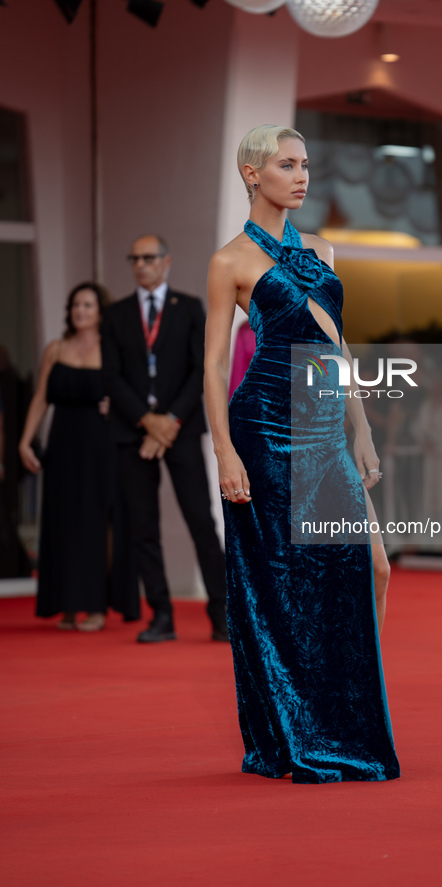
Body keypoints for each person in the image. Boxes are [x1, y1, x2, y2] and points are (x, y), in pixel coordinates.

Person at [204, 124, 400, 783]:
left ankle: (345, 711)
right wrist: (225, 453)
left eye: (306, 164)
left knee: (370, 567)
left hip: (320, 425)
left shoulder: (322, 247)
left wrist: (361, 426)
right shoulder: (229, 260)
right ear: (251, 174)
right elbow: (209, 371)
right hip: (261, 425)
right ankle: (295, 727)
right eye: (287, 165)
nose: (301, 175)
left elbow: (336, 348)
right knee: (281, 581)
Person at [101, 235, 228, 643]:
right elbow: (111, 376)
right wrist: (147, 421)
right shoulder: (116, 314)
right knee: (143, 528)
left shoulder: (188, 307)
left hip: (182, 429)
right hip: (134, 433)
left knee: (201, 523)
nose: (141, 264)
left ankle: (223, 616)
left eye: (149, 257)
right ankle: (161, 616)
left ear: (166, 262)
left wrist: (170, 421)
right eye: (134, 258)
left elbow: (200, 369)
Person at [18, 283, 139, 630]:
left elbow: (133, 393)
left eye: (87, 305)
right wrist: (25, 441)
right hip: (63, 445)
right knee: (63, 523)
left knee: (97, 524)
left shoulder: (113, 347)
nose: (80, 311)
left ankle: (96, 606)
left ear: (101, 310)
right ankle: (68, 605)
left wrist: (116, 406)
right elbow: (41, 397)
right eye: (75, 305)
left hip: (101, 445)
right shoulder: (55, 349)